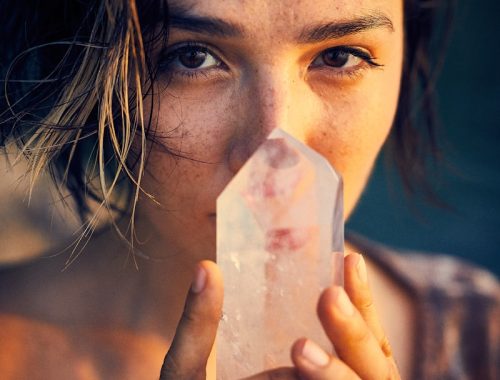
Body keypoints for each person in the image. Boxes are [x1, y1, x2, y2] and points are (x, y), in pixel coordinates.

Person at [0, 0, 498, 379]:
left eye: (340, 56)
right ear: (93, 73)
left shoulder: (483, 342)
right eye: (192, 58)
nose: (274, 153)